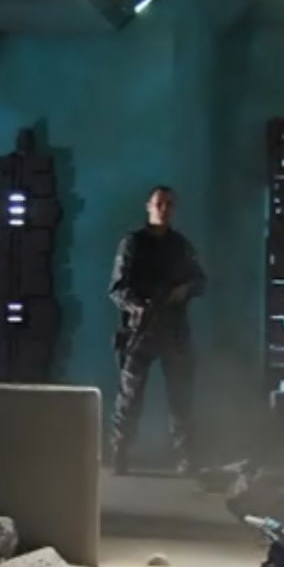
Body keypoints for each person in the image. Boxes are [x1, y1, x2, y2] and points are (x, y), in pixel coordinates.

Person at [108, 185, 206, 475]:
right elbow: (117, 288)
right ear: (148, 206)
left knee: (180, 398)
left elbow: (200, 281)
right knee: (129, 398)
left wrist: (183, 290)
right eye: (159, 204)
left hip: (173, 329)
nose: (163, 210)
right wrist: (138, 307)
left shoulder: (180, 246)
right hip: (140, 330)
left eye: (168, 205)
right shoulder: (133, 244)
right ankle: (120, 452)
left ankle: (186, 456)